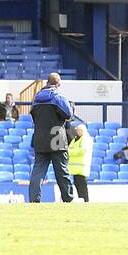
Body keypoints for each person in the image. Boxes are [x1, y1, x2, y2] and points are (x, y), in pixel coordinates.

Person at [27, 72, 75, 203]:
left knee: (38, 171)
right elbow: (68, 114)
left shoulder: (36, 99)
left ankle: (34, 199)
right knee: (61, 171)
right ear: (58, 83)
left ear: (47, 82)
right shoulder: (58, 97)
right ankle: (67, 198)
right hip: (57, 138)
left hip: (40, 138)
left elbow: (34, 116)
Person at [68, 123, 93, 201]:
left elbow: (82, 150)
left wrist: (69, 152)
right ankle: (82, 200)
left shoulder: (85, 138)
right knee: (78, 184)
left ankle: (85, 201)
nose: (77, 131)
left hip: (81, 167)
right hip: (76, 168)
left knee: (82, 186)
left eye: (79, 130)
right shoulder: (76, 139)